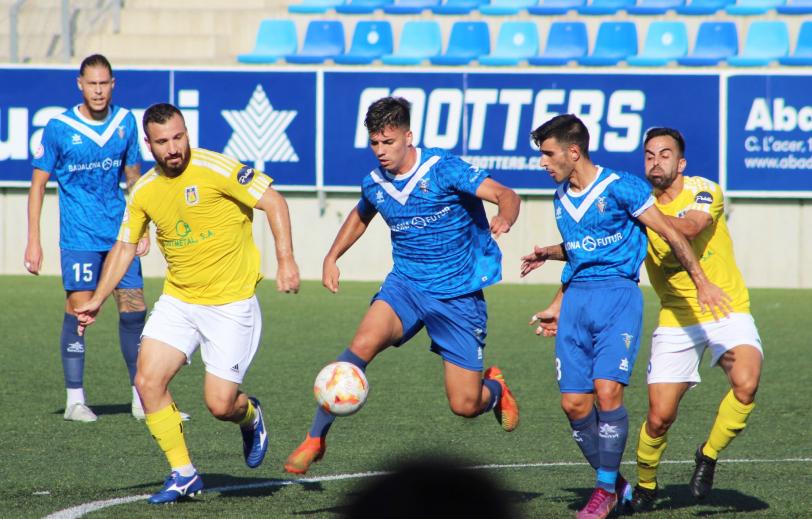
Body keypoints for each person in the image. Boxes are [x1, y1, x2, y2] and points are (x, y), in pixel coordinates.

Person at [74, 103, 301, 504]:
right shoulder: (144, 190)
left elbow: (275, 203)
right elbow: (125, 245)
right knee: (147, 381)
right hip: (179, 301)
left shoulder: (216, 168)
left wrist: (285, 261)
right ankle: (184, 473)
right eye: (163, 142)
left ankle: (250, 415)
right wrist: (97, 299)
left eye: (178, 137)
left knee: (220, 404)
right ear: (149, 144)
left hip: (230, 304)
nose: (173, 147)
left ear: (186, 133)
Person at [284, 96, 521, 475]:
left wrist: (504, 218)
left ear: (408, 136)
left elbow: (506, 194)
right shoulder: (375, 182)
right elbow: (362, 213)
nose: (381, 151)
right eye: (375, 143)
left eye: (388, 142)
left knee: (464, 404)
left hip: (457, 295)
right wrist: (332, 257)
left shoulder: (444, 169)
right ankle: (315, 438)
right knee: (360, 345)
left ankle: (494, 390)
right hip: (406, 288)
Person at [519, 114, 731, 519]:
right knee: (574, 405)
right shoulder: (560, 195)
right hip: (577, 301)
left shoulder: (623, 187)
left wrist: (702, 282)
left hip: (618, 297)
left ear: (573, 151)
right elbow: (584, 248)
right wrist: (555, 293)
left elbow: (670, 233)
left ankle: (602, 493)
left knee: (607, 392)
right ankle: (616, 486)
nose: (542, 163)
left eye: (547, 154)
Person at [628, 128, 763, 511]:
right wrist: (552, 253)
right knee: (659, 417)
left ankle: (708, 454)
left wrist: (651, 219)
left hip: (725, 306)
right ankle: (647, 485)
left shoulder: (704, 190)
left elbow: (690, 227)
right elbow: (601, 244)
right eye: (650, 155)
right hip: (676, 316)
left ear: (681, 163)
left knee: (747, 384)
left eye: (665, 154)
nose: (656, 161)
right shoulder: (638, 204)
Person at [25, 54, 151, 422]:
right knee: (80, 312)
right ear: (80, 84)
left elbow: (134, 180)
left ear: (113, 84)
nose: (98, 90)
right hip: (78, 235)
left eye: (104, 83)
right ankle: (75, 400)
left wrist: (142, 226)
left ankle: (141, 395)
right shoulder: (58, 127)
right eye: (91, 83)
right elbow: (37, 185)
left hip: (120, 237)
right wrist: (34, 240)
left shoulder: (126, 122)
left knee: (134, 310)